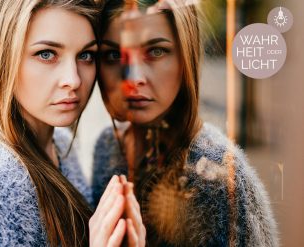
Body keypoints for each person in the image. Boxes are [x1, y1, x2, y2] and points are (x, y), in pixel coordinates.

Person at [0, 0, 145, 246]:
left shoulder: (62, 144)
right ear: (5, 58)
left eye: (86, 55)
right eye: (46, 54)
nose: (73, 80)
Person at [93, 0, 279, 246]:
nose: (133, 78)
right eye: (114, 55)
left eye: (156, 51)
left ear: (185, 55)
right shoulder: (108, 148)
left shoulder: (217, 178)